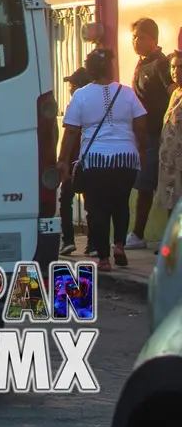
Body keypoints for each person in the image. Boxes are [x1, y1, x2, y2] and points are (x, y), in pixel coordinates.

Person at [58, 47, 148, 271]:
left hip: (96, 160)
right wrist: (141, 151)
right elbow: (141, 125)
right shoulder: (127, 93)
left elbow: (70, 132)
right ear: (110, 67)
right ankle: (119, 245)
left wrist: (62, 161)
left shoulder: (81, 95)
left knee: (98, 208)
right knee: (121, 204)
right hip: (126, 159)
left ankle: (104, 259)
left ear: (89, 70)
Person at [128, 18, 174, 250]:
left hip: (160, 136)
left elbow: (174, 92)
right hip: (142, 137)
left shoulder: (161, 64)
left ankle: (141, 235)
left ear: (152, 39)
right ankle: (139, 235)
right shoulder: (141, 64)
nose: (134, 41)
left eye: (140, 37)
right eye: (133, 37)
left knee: (159, 187)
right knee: (145, 186)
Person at [60, 66, 94, 256]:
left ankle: (68, 240)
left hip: (75, 161)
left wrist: (62, 160)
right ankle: (93, 243)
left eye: (72, 85)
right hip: (91, 161)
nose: (70, 89)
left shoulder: (76, 104)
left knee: (66, 200)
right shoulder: (96, 106)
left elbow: (69, 134)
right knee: (92, 203)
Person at [154, 52, 182, 224]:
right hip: (169, 164)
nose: (175, 71)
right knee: (171, 205)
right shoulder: (175, 93)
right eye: (173, 66)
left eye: (180, 67)